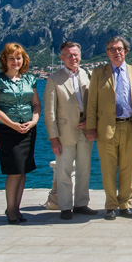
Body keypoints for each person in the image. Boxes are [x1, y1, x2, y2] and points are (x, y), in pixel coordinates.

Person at [86, 36, 132, 220]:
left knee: (127, 169)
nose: (116, 52)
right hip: (106, 127)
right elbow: (92, 103)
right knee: (108, 169)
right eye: (112, 49)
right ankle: (111, 206)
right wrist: (91, 127)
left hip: (130, 126)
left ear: (126, 51)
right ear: (107, 53)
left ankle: (125, 204)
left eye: (119, 49)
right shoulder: (98, 74)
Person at [0, 43, 41, 224]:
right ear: (5, 60)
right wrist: (12, 124)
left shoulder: (29, 79)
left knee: (23, 169)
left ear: (23, 60)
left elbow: (36, 105)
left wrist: (33, 122)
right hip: (6, 130)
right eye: (11, 58)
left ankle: (17, 208)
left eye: (18, 58)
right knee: (14, 169)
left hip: (28, 129)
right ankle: (10, 210)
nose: (15, 61)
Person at [43, 41, 96, 220]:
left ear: (80, 56)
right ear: (62, 58)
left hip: (85, 130)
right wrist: (53, 138)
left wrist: (91, 122)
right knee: (64, 171)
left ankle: (81, 204)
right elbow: (49, 111)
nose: (73, 58)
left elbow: (94, 103)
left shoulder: (87, 75)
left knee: (84, 169)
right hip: (64, 132)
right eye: (69, 55)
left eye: (76, 55)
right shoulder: (53, 79)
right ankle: (65, 207)